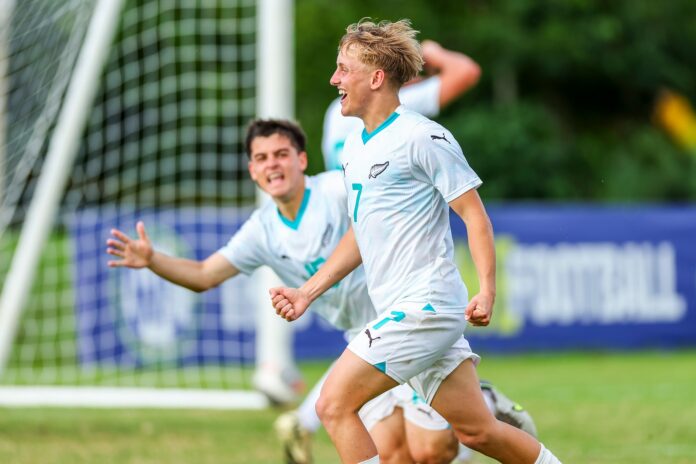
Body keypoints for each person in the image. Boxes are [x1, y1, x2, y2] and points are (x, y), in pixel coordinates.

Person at [106, 118, 534, 464]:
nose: (272, 165)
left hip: (408, 318)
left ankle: (483, 404)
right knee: (396, 454)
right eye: (261, 158)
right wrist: (153, 259)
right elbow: (203, 274)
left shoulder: (336, 188)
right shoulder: (261, 231)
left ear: (302, 159)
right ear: (252, 171)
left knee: (429, 449)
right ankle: (484, 414)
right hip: (361, 340)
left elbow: (388, 219)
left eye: (281, 154)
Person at [270, 19, 562, 464]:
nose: (334, 80)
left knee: (333, 404)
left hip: (424, 307)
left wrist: (487, 289)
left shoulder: (422, 136)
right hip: (402, 309)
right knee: (479, 431)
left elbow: (474, 215)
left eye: (343, 69)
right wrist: (306, 292)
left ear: (376, 77)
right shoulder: (353, 149)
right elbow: (359, 235)